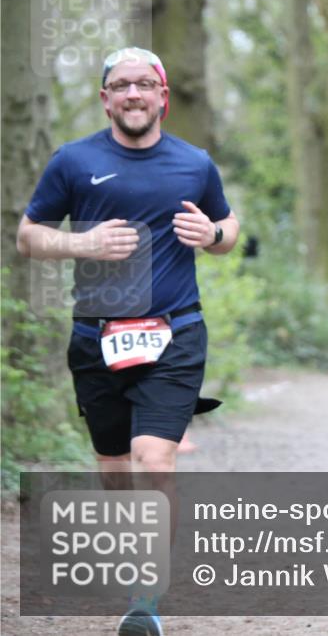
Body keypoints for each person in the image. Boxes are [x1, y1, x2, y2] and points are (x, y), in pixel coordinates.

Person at [16, 47, 240, 636]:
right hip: (96, 338)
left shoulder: (194, 163)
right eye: (121, 85)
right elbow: (28, 235)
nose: (134, 94)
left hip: (175, 333)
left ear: (163, 95)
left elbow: (229, 226)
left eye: (145, 84)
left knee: (154, 458)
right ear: (105, 98)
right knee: (114, 467)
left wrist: (213, 233)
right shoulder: (74, 161)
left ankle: (146, 601)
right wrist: (79, 245)